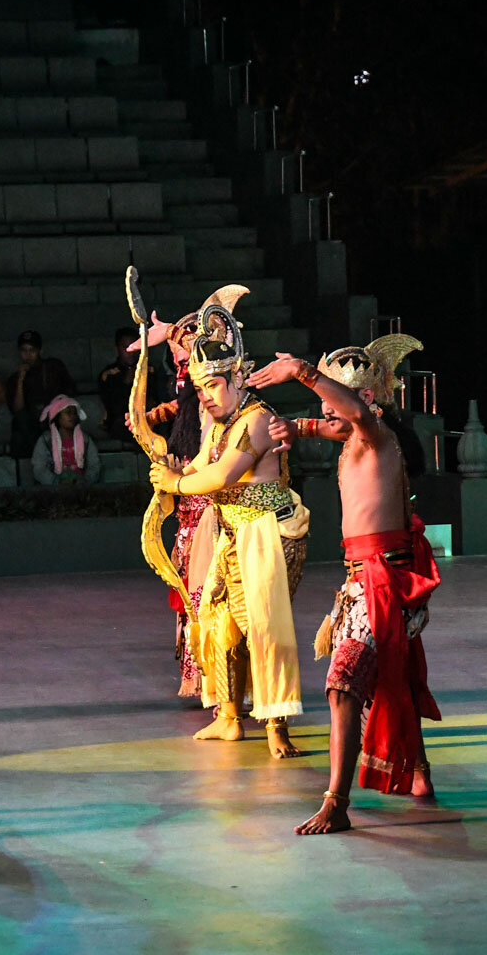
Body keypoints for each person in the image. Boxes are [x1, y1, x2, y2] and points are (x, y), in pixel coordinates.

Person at [249, 335, 443, 835]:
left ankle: (336, 801)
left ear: (367, 400)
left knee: (343, 686)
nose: (325, 412)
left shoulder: (375, 433)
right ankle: (418, 773)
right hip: (370, 579)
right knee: (389, 680)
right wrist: (298, 426)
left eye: (332, 400)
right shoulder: (359, 436)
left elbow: (351, 413)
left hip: (382, 582)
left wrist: (302, 371)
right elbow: (336, 423)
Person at [145, 302, 308, 758]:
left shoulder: (255, 419)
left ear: (238, 377)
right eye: (199, 389)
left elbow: (221, 477)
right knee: (219, 628)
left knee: (264, 628)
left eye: (213, 384)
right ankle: (230, 718)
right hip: (233, 532)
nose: (207, 397)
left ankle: (277, 726)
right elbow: (201, 464)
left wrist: (177, 484)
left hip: (267, 533)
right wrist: (168, 469)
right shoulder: (220, 422)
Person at [128, 287, 249, 698]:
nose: (182, 365)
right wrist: (151, 419)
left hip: (218, 504)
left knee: (212, 592)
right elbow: (183, 411)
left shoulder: (233, 403)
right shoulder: (195, 395)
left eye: (187, 355)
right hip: (191, 499)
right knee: (191, 587)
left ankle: (225, 687)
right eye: (179, 361)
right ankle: (204, 680)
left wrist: (165, 333)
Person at [5, 330, 76, 470]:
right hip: (30, 425)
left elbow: (70, 393)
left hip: (53, 419)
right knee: (20, 431)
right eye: (24, 351)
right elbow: (17, 411)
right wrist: (20, 381)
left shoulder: (53, 367)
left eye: (32, 350)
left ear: (40, 351)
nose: (28, 355)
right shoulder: (15, 378)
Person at [31, 394, 101, 488]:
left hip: (81, 489)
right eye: (67, 412)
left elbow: (94, 465)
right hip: (53, 491)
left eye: (74, 413)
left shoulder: (86, 440)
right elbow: (39, 468)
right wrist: (56, 482)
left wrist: (85, 481)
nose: (71, 416)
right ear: (57, 415)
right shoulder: (45, 440)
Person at [97, 326, 142, 443]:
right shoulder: (108, 374)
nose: (130, 351)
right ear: (117, 349)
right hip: (119, 424)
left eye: (134, 346)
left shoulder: (149, 370)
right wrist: (127, 382)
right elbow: (112, 405)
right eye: (125, 347)